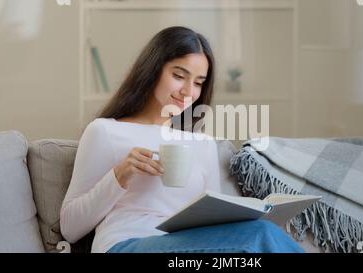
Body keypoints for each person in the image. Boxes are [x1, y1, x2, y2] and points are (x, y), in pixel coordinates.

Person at [60, 26, 304, 253]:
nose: (189, 91)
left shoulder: (203, 144)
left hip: (191, 248)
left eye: (198, 82)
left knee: (258, 237)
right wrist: (119, 175)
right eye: (179, 75)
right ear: (153, 70)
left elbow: (213, 221)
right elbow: (70, 229)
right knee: (261, 234)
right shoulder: (105, 132)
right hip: (127, 244)